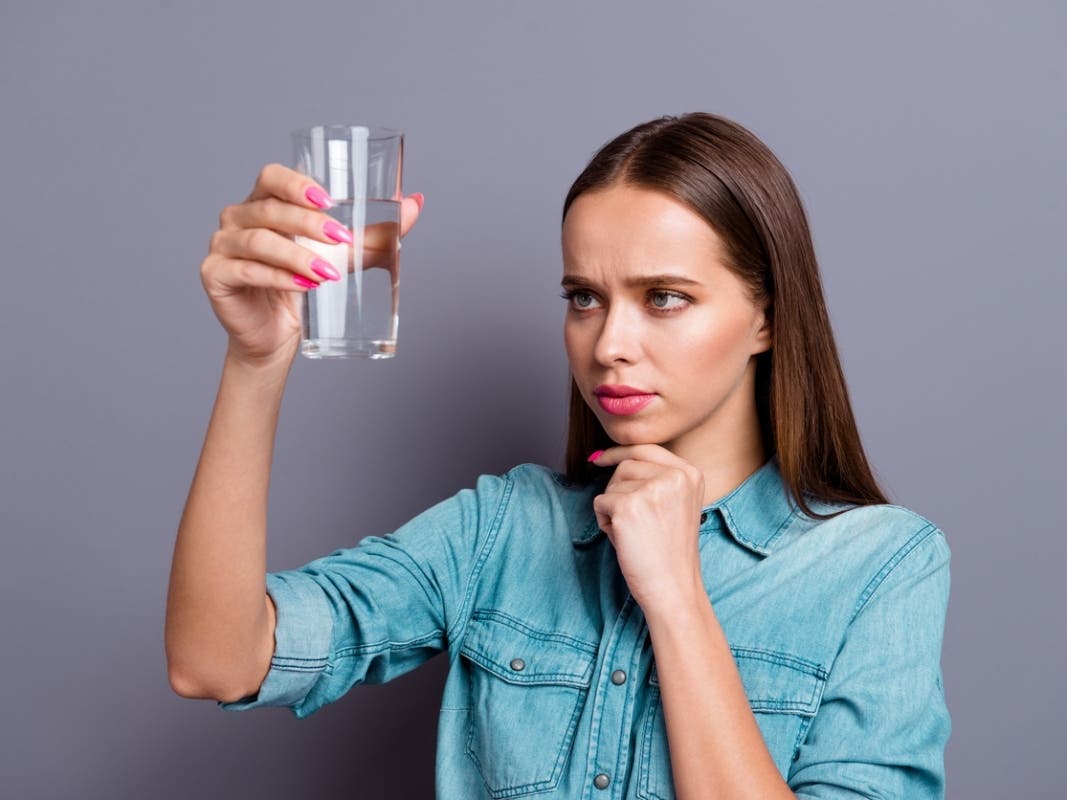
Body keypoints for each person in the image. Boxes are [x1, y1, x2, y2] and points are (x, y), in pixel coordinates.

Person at [165, 112, 951, 799]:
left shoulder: (878, 565)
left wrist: (676, 598)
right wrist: (255, 361)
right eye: (584, 298)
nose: (608, 345)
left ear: (765, 318)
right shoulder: (505, 527)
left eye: (663, 297)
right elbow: (217, 661)